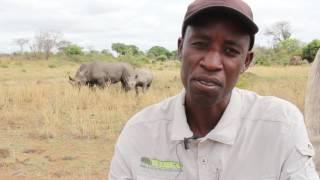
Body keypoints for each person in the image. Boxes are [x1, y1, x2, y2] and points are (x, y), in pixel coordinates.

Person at [109, 0, 319, 179]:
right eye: (200, 44)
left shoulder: (281, 127)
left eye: (230, 51)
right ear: (181, 48)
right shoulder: (139, 132)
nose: (211, 63)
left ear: (246, 61)